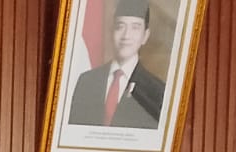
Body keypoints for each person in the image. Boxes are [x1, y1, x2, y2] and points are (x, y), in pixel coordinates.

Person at [68, 0, 165, 129]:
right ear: (112, 30)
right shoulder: (86, 80)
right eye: (120, 26)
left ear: (145, 36)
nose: (126, 35)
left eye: (135, 27)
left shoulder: (157, 91)